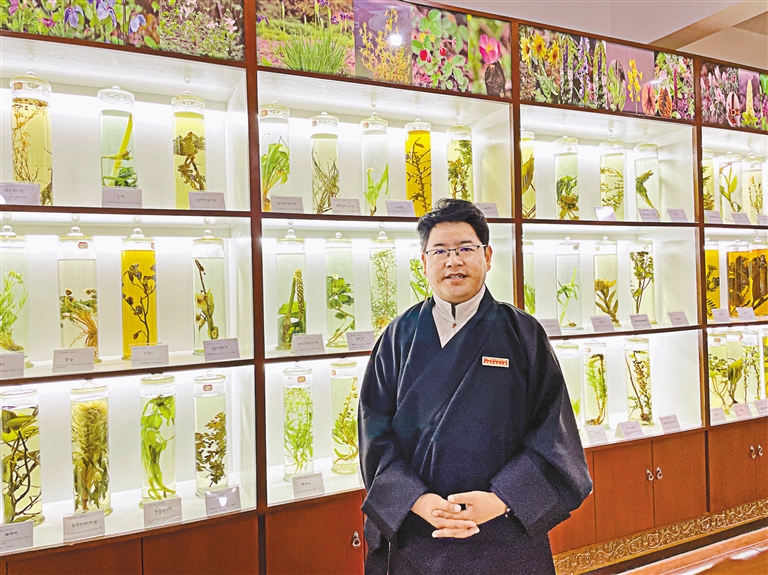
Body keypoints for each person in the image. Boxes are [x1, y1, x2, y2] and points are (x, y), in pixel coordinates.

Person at [358, 199, 592, 575]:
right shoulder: (397, 337)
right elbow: (374, 431)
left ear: (487, 256)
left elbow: (553, 434)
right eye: (440, 251)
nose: (453, 261)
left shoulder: (523, 334)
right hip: (419, 530)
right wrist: (417, 500)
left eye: (465, 248)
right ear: (423, 262)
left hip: (503, 530)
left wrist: (502, 500)